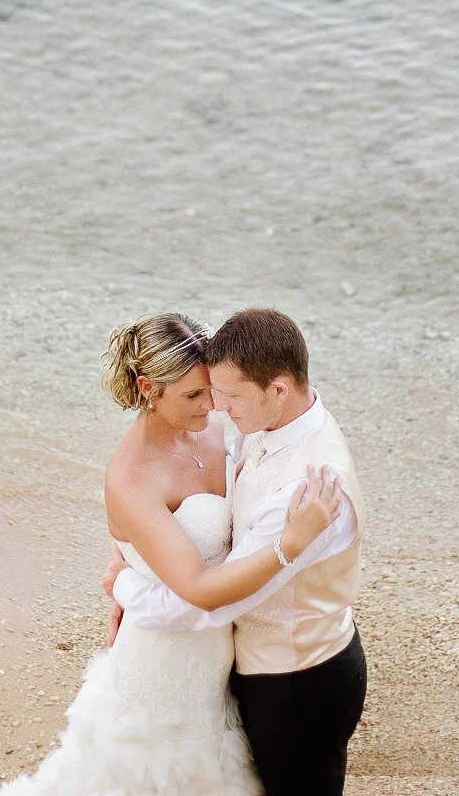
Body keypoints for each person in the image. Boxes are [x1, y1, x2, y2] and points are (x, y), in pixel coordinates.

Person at [0, 312, 342, 796]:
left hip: (217, 659)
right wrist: (288, 546)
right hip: (163, 665)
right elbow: (197, 585)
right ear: (149, 388)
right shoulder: (131, 476)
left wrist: (127, 574)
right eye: (192, 395)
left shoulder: (208, 425)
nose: (212, 404)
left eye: (211, 389)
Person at [109, 308, 366, 796]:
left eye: (224, 394)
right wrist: (135, 554)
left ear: (278, 389)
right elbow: (148, 506)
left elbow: (214, 600)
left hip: (294, 675)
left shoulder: (305, 494)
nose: (216, 407)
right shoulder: (273, 420)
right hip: (205, 664)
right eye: (202, 392)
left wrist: (124, 586)